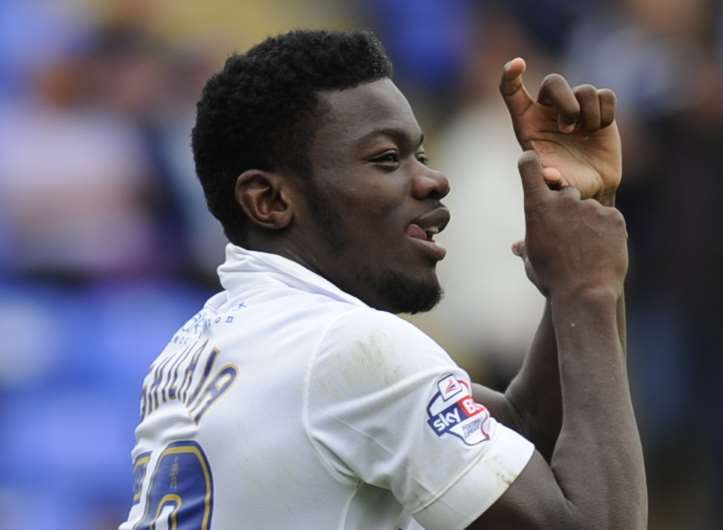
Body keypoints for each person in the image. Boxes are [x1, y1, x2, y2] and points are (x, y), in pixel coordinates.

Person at [119, 30, 646, 529]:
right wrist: (588, 289)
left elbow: (523, 433)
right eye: (387, 158)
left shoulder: (198, 349)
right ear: (271, 200)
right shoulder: (344, 347)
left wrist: (584, 222)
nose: (433, 179)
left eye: (422, 155)